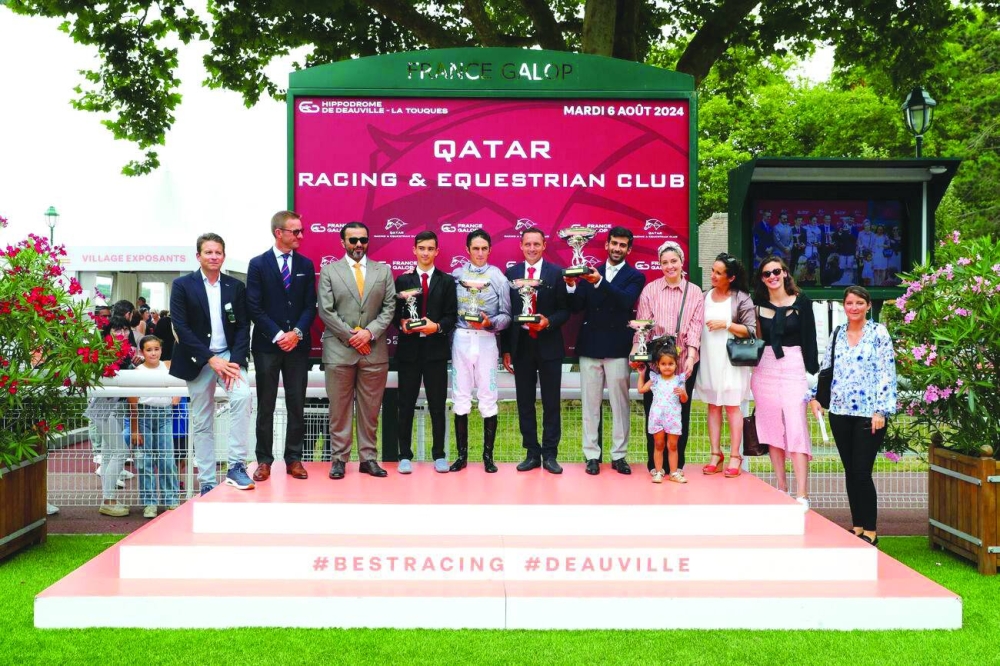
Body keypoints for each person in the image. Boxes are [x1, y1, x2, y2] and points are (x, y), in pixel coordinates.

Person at [810, 286, 897, 546]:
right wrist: (816, 397)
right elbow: (826, 368)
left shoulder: (878, 333)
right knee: (850, 471)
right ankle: (857, 526)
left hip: (869, 415)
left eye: (859, 302)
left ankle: (871, 529)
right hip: (839, 411)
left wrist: (880, 410)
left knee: (861, 472)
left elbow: (887, 373)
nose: (854, 307)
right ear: (844, 306)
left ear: (868, 305)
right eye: (849, 303)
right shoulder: (837, 333)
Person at [169, 233, 254, 495]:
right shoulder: (182, 285)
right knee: (202, 420)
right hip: (198, 359)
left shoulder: (235, 286)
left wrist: (235, 362)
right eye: (208, 252)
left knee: (242, 396)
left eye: (218, 252)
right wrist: (210, 359)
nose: (214, 256)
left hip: (229, 357)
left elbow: (242, 327)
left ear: (223, 256)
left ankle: (236, 466)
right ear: (199, 256)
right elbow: (181, 328)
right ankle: (206, 481)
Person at [317, 221, 396, 479]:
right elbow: (325, 310)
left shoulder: (383, 271)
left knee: (370, 410)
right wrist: (352, 337)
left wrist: (368, 333)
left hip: (374, 352)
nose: (358, 245)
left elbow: (389, 308)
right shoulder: (329, 271)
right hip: (339, 351)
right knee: (339, 410)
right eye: (353, 240)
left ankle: (368, 459)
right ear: (343, 243)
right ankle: (339, 459)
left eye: (363, 239)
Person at [565, 226, 646, 475]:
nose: (617, 248)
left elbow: (624, 300)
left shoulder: (635, 276)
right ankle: (591, 455)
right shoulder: (592, 271)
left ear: (629, 249)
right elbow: (577, 307)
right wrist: (571, 286)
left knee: (620, 405)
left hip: (618, 348)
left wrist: (600, 282)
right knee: (590, 404)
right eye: (614, 243)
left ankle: (619, 456)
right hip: (590, 346)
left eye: (622, 245)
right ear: (606, 245)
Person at [247, 210, 317, 483]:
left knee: (296, 403)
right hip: (267, 346)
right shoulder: (258, 264)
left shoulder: (306, 264)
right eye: (295, 231)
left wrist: (296, 333)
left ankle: (294, 459)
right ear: (279, 233)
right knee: (265, 405)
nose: (301, 235)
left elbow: (310, 305)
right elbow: (254, 306)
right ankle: (264, 460)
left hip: (298, 347)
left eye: (301, 230)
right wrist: (279, 334)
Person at [630, 240, 704, 474]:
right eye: (665, 262)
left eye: (674, 261)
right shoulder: (650, 290)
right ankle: (655, 466)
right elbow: (642, 329)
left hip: (683, 364)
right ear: (659, 264)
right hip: (656, 364)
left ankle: (677, 466)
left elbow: (695, 327)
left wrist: (691, 357)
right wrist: (636, 354)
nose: (670, 266)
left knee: (681, 413)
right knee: (654, 412)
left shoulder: (694, 292)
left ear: (682, 263)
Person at [502, 227, 570, 474]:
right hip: (521, 348)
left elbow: (565, 311)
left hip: (549, 345)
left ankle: (550, 455)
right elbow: (507, 315)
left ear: (544, 246)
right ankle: (531, 452)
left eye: (536, 244)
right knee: (525, 403)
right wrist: (506, 350)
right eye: (527, 244)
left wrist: (547, 322)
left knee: (552, 403)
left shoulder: (556, 274)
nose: (532, 248)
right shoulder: (511, 274)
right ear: (521, 246)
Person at [751, 255, 819, 507]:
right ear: (762, 279)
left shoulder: (803, 302)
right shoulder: (756, 305)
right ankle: (781, 488)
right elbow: (755, 338)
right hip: (764, 368)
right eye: (767, 274)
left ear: (786, 273)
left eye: (776, 271)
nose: (772, 277)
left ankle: (802, 494)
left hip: (794, 365)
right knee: (772, 429)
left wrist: (813, 378)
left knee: (796, 426)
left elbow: (810, 340)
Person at [393, 231, 457, 474]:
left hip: (436, 352)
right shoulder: (402, 280)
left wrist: (437, 327)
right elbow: (393, 314)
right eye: (422, 248)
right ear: (414, 250)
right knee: (405, 404)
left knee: (437, 404)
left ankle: (439, 455)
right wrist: (402, 324)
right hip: (409, 352)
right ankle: (403, 455)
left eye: (430, 248)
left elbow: (452, 315)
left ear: (437, 251)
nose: (426, 253)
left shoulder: (447, 281)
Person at [450, 229, 511, 473]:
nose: (480, 253)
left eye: (484, 248)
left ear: (490, 250)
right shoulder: (457, 276)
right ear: (467, 250)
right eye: (475, 248)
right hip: (461, 339)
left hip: (487, 340)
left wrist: (490, 323)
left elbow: (508, 315)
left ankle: (488, 457)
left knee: (488, 396)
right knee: (460, 396)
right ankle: (462, 456)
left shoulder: (497, 277)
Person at [693, 253, 755, 478]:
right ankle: (715, 454)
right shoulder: (702, 296)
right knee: (712, 405)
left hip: (732, 361)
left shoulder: (742, 298)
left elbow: (751, 330)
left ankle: (735, 456)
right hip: (709, 357)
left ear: (731, 277)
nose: (713, 276)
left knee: (732, 407)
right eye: (713, 270)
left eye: (719, 273)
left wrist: (727, 324)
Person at [85, 300, 139, 516]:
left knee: (110, 453)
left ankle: (108, 499)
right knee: (119, 451)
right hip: (102, 408)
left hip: (108, 408)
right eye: (117, 329)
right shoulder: (106, 351)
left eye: (125, 329)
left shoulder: (122, 352)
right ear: (108, 332)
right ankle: (108, 499)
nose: (122, 333)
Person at [129, 335, 180, 519]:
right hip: (144, 416)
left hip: (165, 415)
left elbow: (180, 379)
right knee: (145, 462)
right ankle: (149, 502)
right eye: (149, 350)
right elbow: (132, 403)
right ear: (142, 352)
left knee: (167, 459)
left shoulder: (167, 366)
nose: (153, 353)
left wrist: (177, 395)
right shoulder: (137, 372)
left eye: (156, 349)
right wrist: (135, 429)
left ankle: (171, 499)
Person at [637, 345, 688, 484]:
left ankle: (673, 472)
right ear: (658, 365)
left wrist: (682, 393)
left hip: (673, 419)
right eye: (663, 364)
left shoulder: (679, 380)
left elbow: (684, 400)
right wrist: (641, 375)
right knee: (658, 444)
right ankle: (658, 472)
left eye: (670, 364)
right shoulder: (655, 379)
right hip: (657, 418)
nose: (667, 367)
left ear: (676, 364)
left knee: (672, 446)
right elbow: (641, 390)